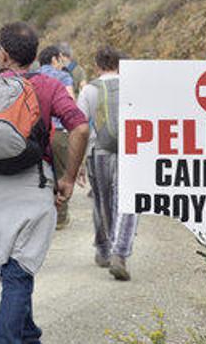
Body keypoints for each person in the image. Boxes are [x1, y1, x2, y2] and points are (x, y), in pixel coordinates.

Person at [0, 22, 89, 343]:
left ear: (3, 55)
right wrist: (68, 178)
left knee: (14, 269)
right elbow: (80, 128)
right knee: (19, 273)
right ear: (34, 56)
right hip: (33, 184)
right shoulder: (49, 86)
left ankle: (29, 335)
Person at [77, 45, 137, 281]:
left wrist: (79, 163)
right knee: (128, 200)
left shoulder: (90, 90)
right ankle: (119, 252)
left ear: (97, 65)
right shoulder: (132, 86)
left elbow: (80, 127)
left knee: (102, 201)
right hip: (130, 152)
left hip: (98, 151)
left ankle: (103, 250)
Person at [37, 46, 77, 230]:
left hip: (38, 132)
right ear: (55, 59)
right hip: (60, 131)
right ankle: (60, 217)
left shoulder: (33, 76)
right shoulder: (63, 77)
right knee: (62, 173)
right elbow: (70, 105)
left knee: (41, 173)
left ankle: (42, 215)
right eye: (60, 58)